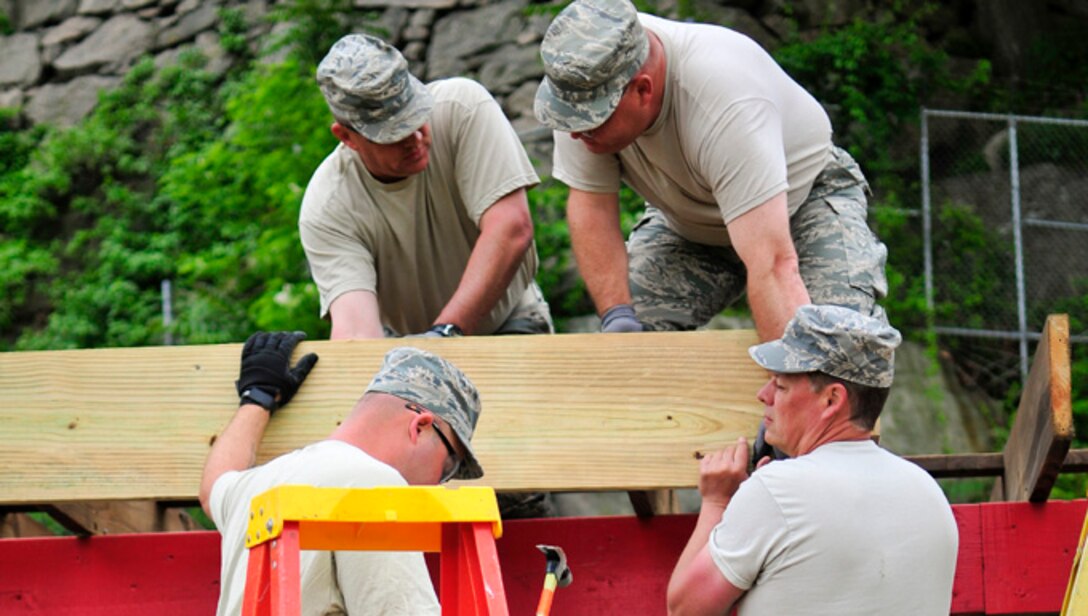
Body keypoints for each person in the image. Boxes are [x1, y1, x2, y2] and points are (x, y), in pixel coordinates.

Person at [534, 0, 888, 342]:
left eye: (591, 122)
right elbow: (592, 207)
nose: (575, 133)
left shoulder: (726, 100)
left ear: (643, 89)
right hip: (690, 222)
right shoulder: (580, 91)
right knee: (633, 342)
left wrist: (795, 381)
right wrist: (618, 317)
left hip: (802, 202)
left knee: (836, 345)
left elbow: (774, 265)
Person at [666, 305, 959, 615]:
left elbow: (684, 609)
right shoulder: (929, 494)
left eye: (780, 385)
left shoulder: (776, 491)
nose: (763, 395)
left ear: (832, 400)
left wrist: (717, 503)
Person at [199, 331, 484, 616]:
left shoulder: (256, 488)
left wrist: (257, 398)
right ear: (419, 426)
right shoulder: (374, 485)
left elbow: (213, 489)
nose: (438, 484)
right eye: (449, 466)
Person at [300, 33, 553, 340]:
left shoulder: (463, 106)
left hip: (509, 319)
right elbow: (357, 330)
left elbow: (511, 227)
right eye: (394, 134)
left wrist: (446, 333)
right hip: (409, 345)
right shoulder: (329, 205)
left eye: (416, 117)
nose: (416, 139)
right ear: (347, 137)